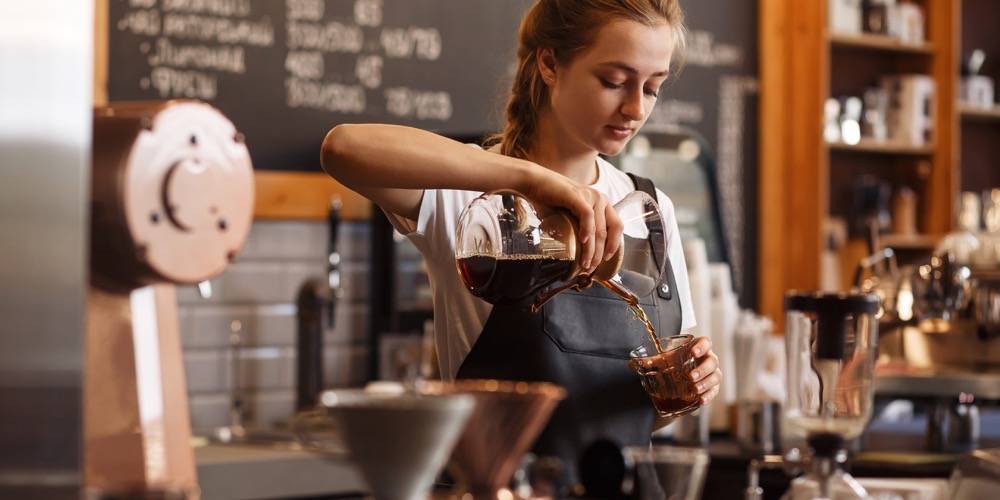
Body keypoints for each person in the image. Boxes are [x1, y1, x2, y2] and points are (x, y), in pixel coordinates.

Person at [321, 0, 722, 488]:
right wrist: (528, 179)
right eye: (614, 81)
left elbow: (646, 416)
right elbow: (343, 149)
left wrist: (687, 385)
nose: (636, 108)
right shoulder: (473, 197)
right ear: (550, 64)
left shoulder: (651, 209)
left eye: (653, 88)